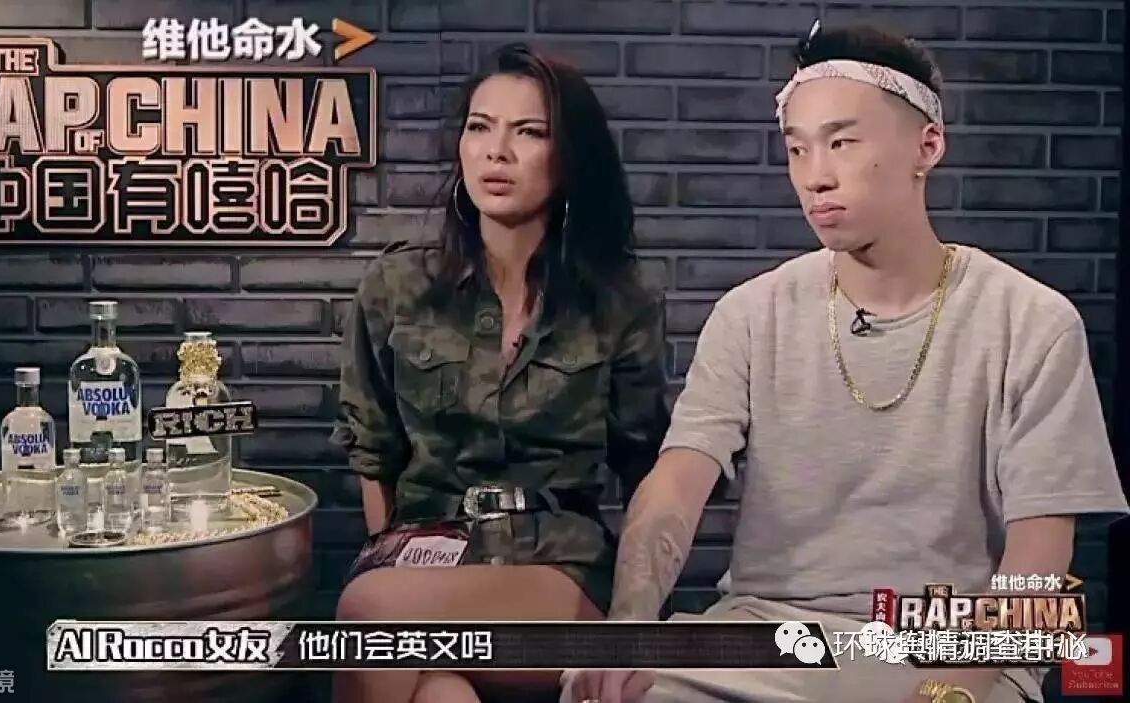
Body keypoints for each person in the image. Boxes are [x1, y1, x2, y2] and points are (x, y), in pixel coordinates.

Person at [565, 20, 1129, 703]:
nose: (816, 176)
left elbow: (1039, 557)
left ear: (928, 145)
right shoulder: (751, 313)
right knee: (605, 689)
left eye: (841, 142)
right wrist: (628, 623)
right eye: (797, 149)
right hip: (768, 633)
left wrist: (950, 691)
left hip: (949, 647)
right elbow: (676, 486)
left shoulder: (1031, 321)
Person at [330, 42, 671, 703]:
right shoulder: (398, 286)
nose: (497, 151)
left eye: (529, 132)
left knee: (370, 615)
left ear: (568, 156)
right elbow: (373, 448)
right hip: (425, 556)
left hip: (558, 568)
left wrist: (638, 619)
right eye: (480, 127)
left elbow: (646, 469)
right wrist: (398, 559)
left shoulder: (619, 301)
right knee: (438, 694)